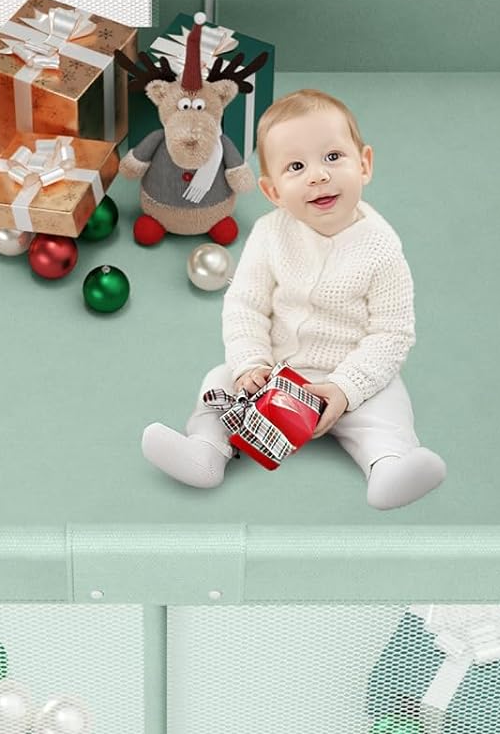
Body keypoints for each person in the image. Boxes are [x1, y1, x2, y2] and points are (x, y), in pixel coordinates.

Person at [141, 88, 447, 510]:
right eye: (296, 167)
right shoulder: (270, 234)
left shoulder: (382, 249)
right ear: (273, 191)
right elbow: (245, 305)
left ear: (364, 165)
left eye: (333, 157)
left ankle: (389, 467)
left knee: (389, 408)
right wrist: (251, 364)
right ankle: (206, 451)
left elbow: (392, 334)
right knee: (218, 381)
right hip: (274, 370)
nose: (318, 176)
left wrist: (346, 387)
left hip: (348, 373)